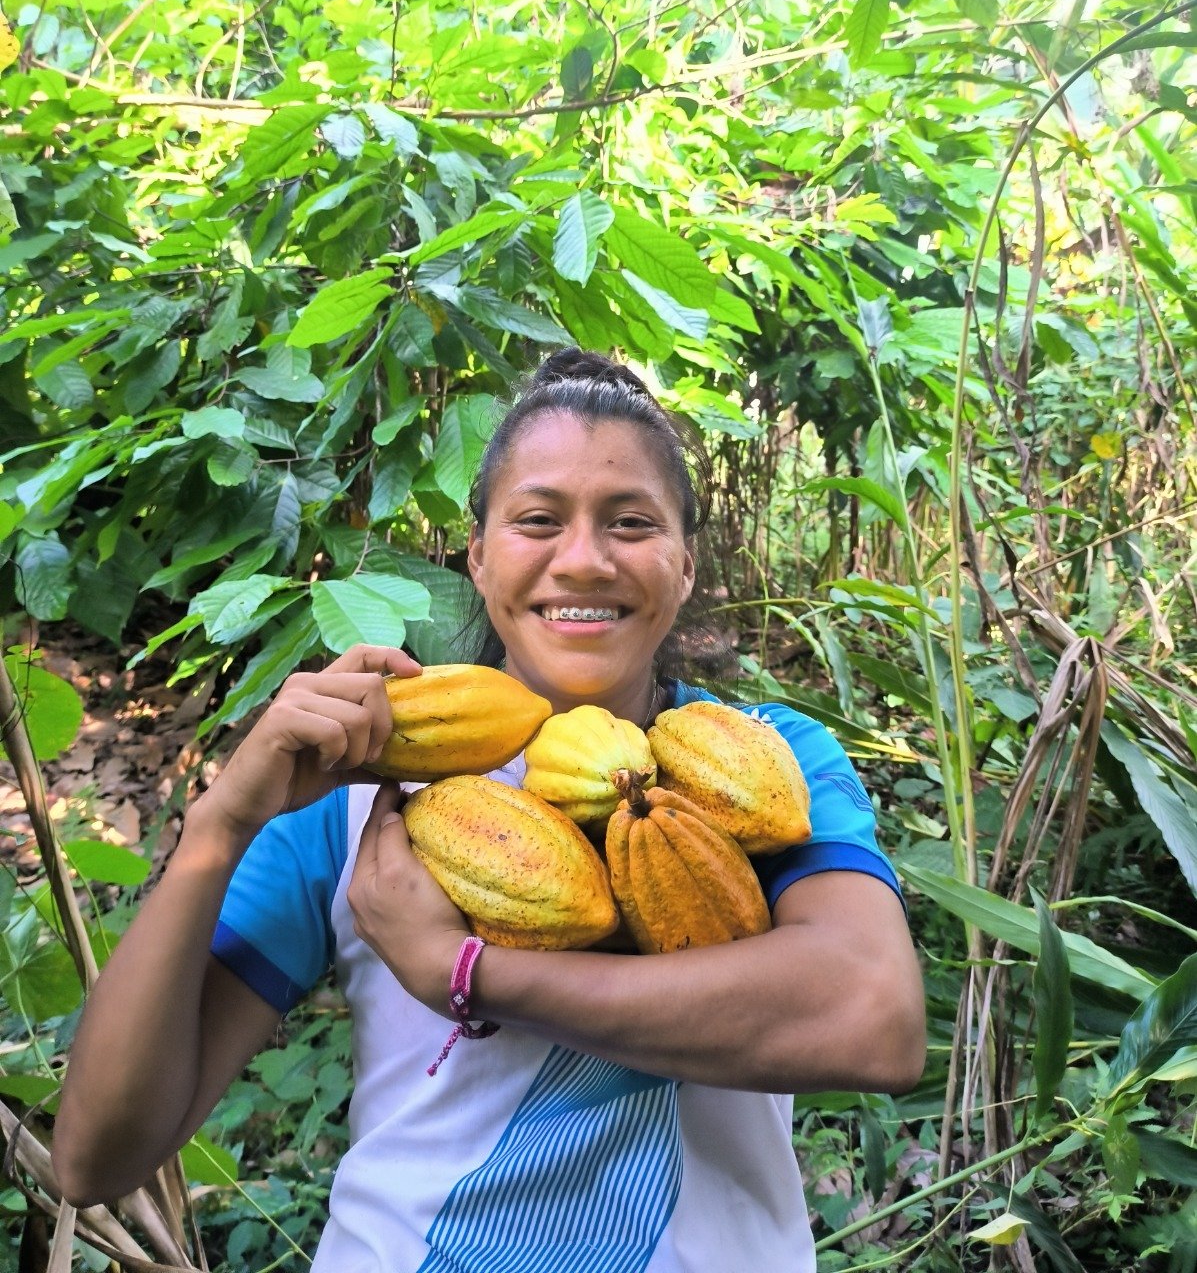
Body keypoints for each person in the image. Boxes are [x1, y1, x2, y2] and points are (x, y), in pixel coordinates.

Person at [53, 348, 925, 1272]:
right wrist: (221, 824)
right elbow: (95, 1157)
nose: (582, 560)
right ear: (477, 557)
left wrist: (464, 972)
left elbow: (870, 1019)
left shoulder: (762, 765)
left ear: (681, 566)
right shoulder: (356, 789)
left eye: (630, 523)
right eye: (537, 520)